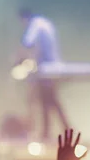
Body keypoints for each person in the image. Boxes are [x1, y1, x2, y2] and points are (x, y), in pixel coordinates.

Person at [18, 8, 69, 141]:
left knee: (48, 101)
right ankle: (57, 131)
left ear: (25, 18)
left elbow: (27, 42)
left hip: (47, 69)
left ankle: (51, 132)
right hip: (51, 67)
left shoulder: (36, 24)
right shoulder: (46, 23)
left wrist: (19, 59)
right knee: (49, 101)